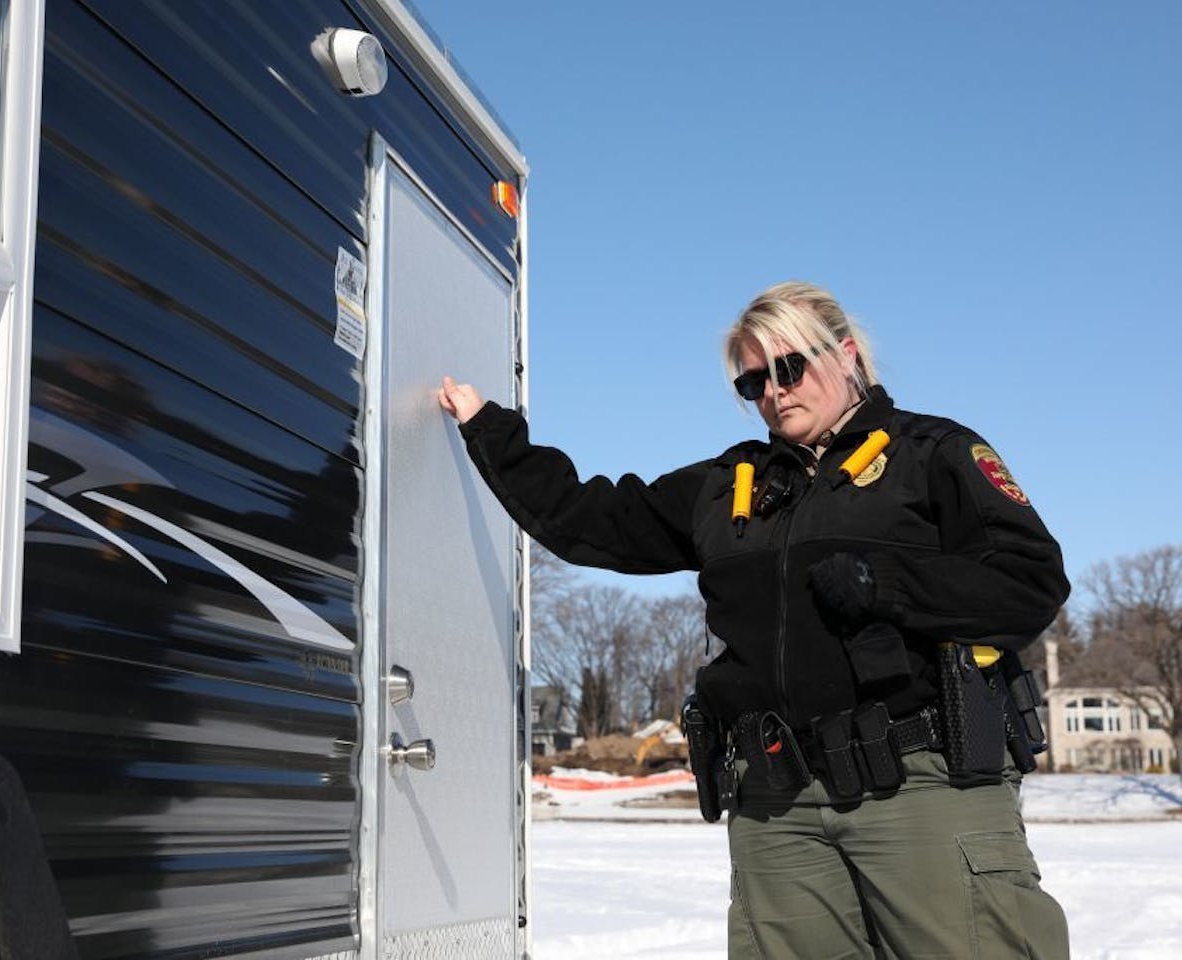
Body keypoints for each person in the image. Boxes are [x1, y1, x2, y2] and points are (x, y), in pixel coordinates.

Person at [438, 281, 1070, 959]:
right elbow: (591, 522)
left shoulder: (932, 454)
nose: (774, 391)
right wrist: (488, 429)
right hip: (778, 799)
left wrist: (886, 583)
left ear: (847, 354)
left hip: (920, 784)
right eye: (753, 382)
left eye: (789, 367)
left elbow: (1030, 580)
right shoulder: (729, 487)